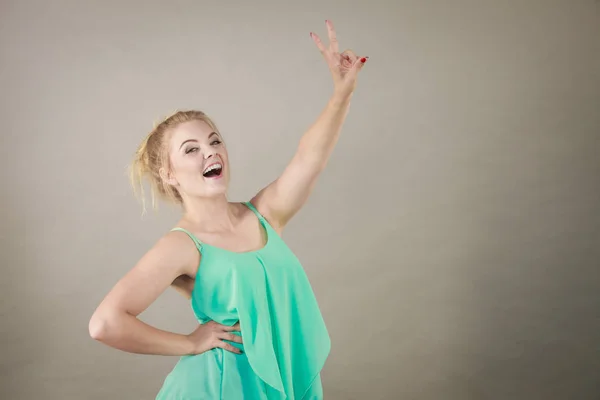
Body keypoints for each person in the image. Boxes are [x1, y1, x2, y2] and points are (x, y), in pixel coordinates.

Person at [88, 20, 368, 400]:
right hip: (220, 389)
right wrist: (189, 343)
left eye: (214, 141)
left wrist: (342, 92)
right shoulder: (182, 246)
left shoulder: (265, 215)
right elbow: (105, 323)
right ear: (168, 173)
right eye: (191, 149)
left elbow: (309, 158)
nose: (210, 152)